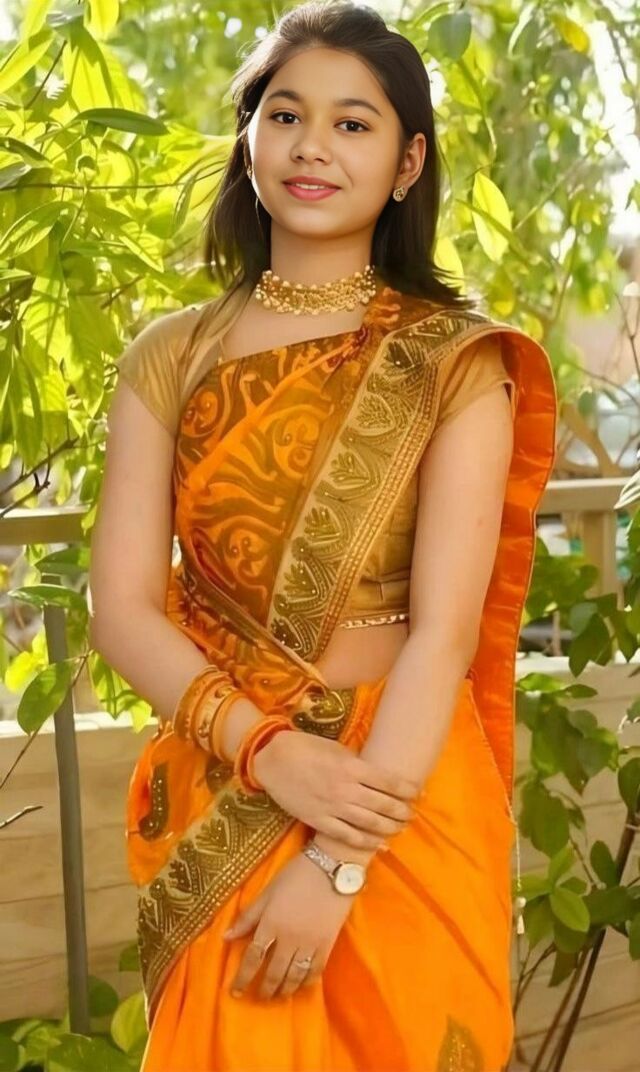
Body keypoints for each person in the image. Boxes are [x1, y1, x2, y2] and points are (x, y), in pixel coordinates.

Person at [88, 2, 557, 1069]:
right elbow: (122, 609)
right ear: (249, 137)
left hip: (398, 792)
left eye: (353, 123)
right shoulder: (171, 355)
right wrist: (267, 750)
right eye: (286, 114)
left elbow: (442, 635)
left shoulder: (451, 360)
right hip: (229, 779)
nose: (312, 145)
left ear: (407, 162)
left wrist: (337, 864)